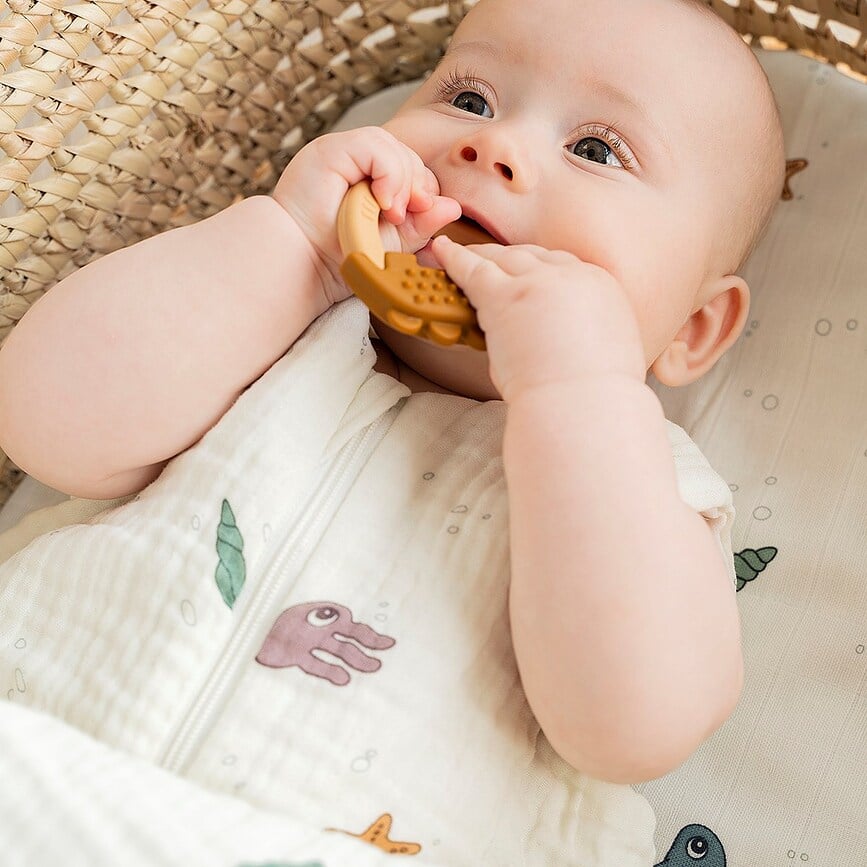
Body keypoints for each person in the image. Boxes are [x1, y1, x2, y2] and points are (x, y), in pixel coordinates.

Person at [0, 0, 786, 862]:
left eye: (596, 149)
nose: (491, 147)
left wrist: (579, 388)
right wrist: (294, 236)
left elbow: (638, 722)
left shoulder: (648, 488)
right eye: (470, 99)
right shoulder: (261, 327)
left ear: (692, 330)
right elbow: (44, 424)